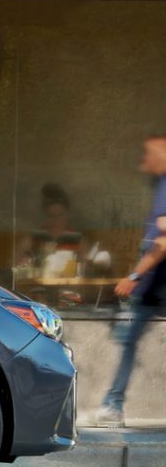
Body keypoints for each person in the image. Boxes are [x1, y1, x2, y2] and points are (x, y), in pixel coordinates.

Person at [89, 134, 166, 428]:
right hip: (155, 287)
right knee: (128, 340)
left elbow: (163, 240)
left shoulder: (165, 184)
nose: (143, 161)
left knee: (128, 340)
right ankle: (112, 404)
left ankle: (112, 406)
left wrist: (134, 275)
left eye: (149, 153)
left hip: (155, 285)